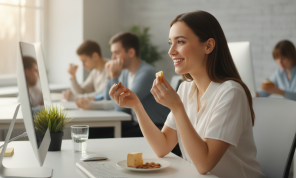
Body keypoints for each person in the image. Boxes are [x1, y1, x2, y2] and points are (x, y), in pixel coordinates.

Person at [109, 11, 265, 177]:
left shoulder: (231, 93)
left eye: (180, 42)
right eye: (170, 43)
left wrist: (177, 107)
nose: (171, 51)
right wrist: (137, 106)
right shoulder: (185, 89)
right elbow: (162, 147)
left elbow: (204, 164)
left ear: (208, 46)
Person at [97, 32, 169, 138]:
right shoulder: (127, 73)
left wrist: (114, 75)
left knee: (104, 137)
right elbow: (108, 98)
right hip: (139, 124)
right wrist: (109, 76)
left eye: (116, 53)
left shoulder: (146, 73)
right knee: (97, 132)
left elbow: (121, 106)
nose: (113, 58)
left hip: (157, 128)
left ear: (131, 52)